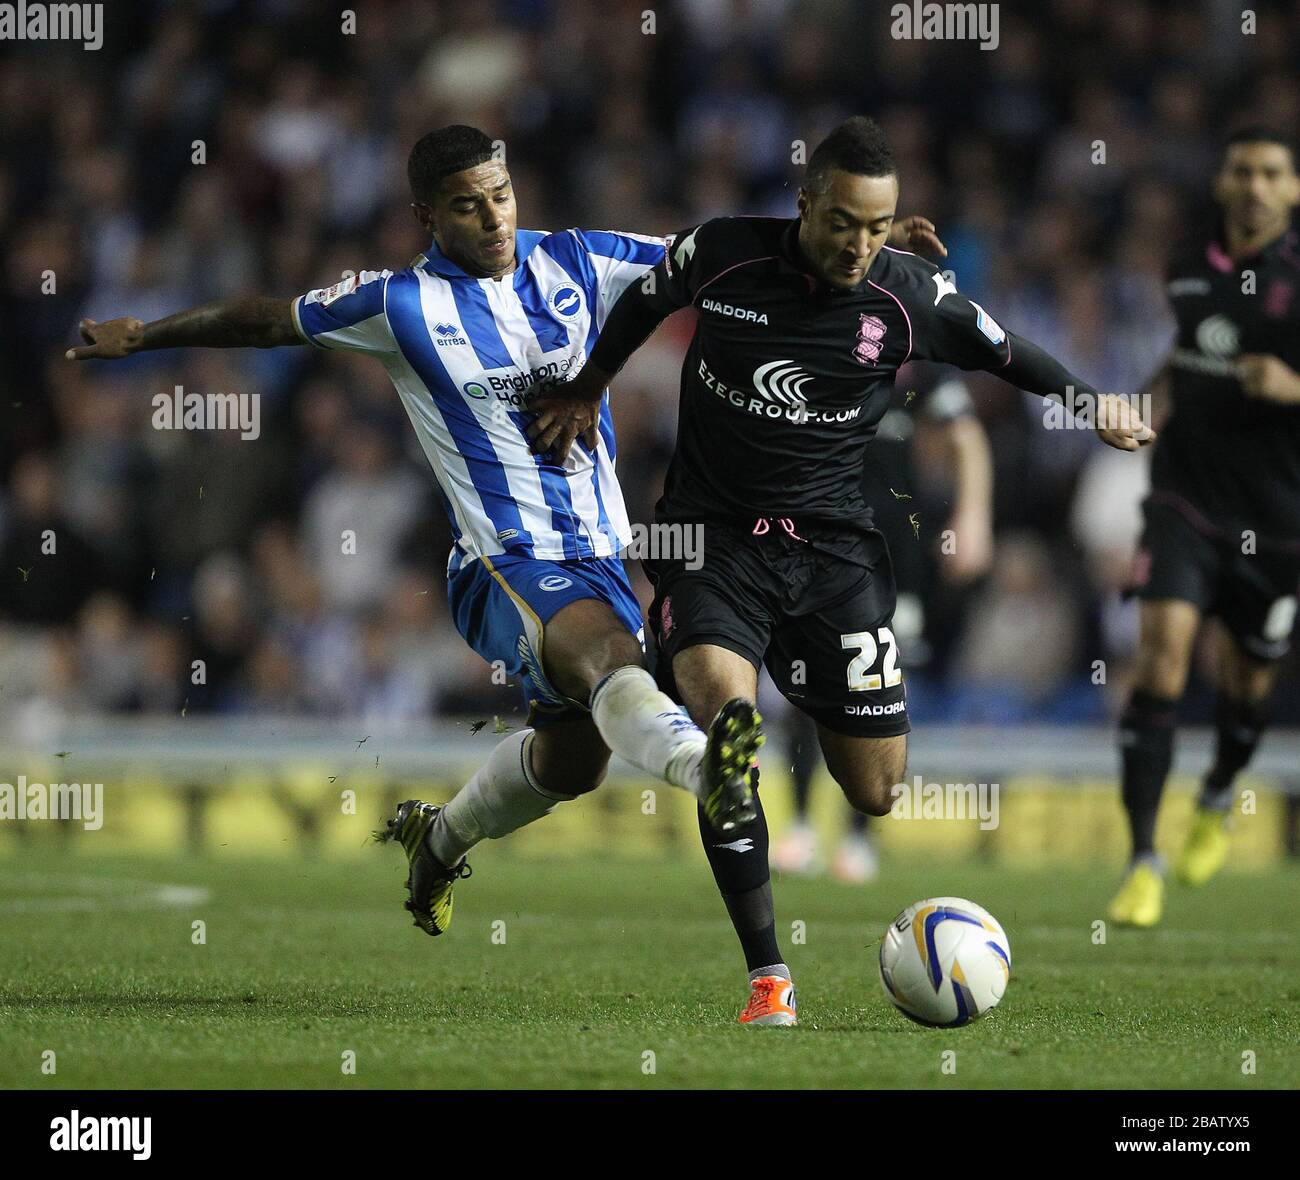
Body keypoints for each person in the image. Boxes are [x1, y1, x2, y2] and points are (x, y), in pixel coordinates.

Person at [66, 124, 765, 937]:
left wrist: (858, 239)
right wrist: (147, 336)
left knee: (573, 763)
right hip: (499, 565)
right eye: (467, 208)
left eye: (500, 197)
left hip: (599, 559)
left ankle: (438, 839)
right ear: (427, 216)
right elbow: (269, 320)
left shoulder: (577, 258)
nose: (494, 219)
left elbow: (708, 252)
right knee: (615, 657)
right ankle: (702, 764)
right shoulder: (398, 304)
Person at [529, 115, 1152, 1025]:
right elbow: (640, 304)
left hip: (834, 555)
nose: (860, 245)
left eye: (877, 225)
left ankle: (803, 726)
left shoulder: (909, 296)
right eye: (843, 223)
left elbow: (1008, 352)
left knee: (878, 789)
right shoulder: (723, 256)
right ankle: (768, 979)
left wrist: (1093, 406)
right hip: (712, 542)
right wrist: (588, 385)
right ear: (804, 202)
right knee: (722, 718)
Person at [1108, 128, 1300, 928]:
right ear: (1222, 182)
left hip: (1280, 521)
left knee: (1247, 688)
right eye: (1241, 170)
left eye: (1271, 173)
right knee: (1160, 661)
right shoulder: (1186, 265)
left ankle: (1217, 796)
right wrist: (1142, 401)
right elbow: (1187, 356)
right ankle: (1142, 860)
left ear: (1292, 192)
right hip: (1184, 498)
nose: (1253, 185)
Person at [773, 367, 993, 883]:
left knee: (878, 691)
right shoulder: (825, 355)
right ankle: (802, 828)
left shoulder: (925, 374)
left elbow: (968, 436)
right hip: (816, 548)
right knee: (802, 691)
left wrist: (973, 515)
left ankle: (858, 837)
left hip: (894, 559)